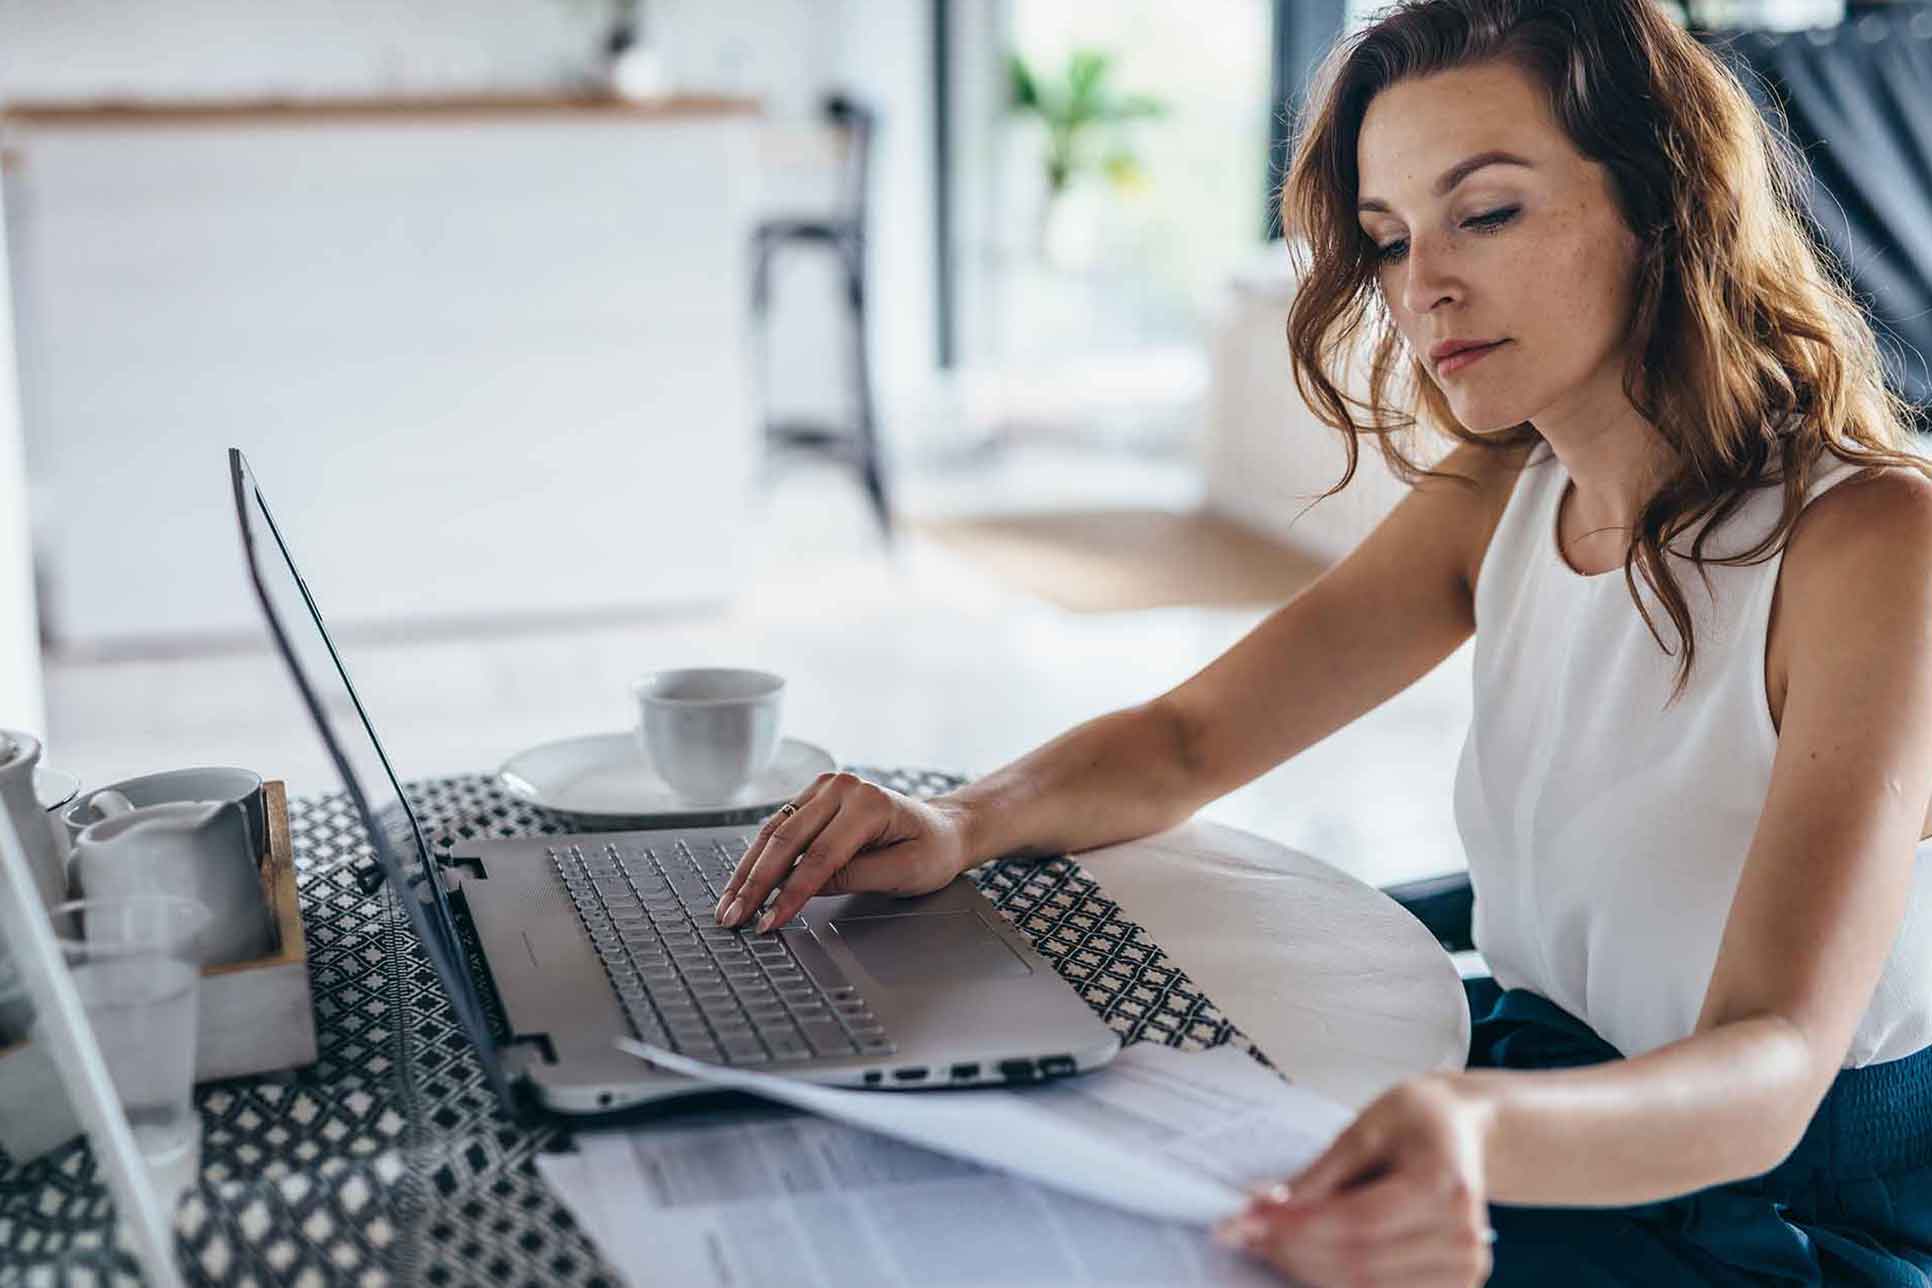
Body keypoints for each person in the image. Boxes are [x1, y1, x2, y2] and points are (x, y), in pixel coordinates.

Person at [714, 0, 1932, 1282]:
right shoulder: (1504, 488)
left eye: (1490, 211)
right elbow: (1191, 739)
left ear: (1662, 200)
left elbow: (1773, 1065)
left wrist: (1468, 1122)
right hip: (1526, 1098)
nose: (1425, 288)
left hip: (1779, 1212)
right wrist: (960, 819)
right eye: (1390, 238)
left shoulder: (1873, 543)